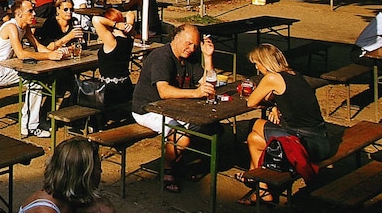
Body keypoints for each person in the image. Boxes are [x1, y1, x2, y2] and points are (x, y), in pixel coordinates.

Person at [237, 43, 330, 206]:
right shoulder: (294, 74)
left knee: (253, 123)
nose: (257, 68)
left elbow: (251, 102)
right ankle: (261, 187)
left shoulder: (272, 78)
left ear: (264, 62)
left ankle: (252, 177)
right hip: (320, 139)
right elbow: (293, 100)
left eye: (256, 64)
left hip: (303, 143)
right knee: (254, 139)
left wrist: (271, 103)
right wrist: (276, 106)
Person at [131, 23, 216, 193]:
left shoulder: (189, 58)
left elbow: (206, 83)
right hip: (149, 108)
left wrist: (208, 57)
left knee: (210, 128)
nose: (191, 48)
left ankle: (180, 163)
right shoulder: (161, 57)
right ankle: (168, 170)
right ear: (176, 38)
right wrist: (195, 93)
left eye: (194, 44)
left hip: (176, 108)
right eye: (188, 43)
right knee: (181, 137)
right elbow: (163, 91)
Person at [0, 0, 66, 138]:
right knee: (35, 81)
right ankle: (30, 125)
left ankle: (34, 121)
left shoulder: (25, 27)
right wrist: (48, 56)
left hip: (8, 68)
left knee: (46, 77)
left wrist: (55, 54)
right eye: (30, 11)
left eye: (33, 10)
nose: (34, 14)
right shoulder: (11, 27)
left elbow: (37, 46)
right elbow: (21, 54)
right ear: (19, 14)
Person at [18, 138, 116, 213]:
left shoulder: (71, 198)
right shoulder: (44, 210)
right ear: (83, 177)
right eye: (97, 169)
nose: (101, 171)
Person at [90, 10, 136, 111]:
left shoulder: (111, 41)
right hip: (126, 87)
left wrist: (115, 24)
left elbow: (95, 19)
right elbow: (130, 13)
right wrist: (129, 25)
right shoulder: (129, 37)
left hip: (110, 90)